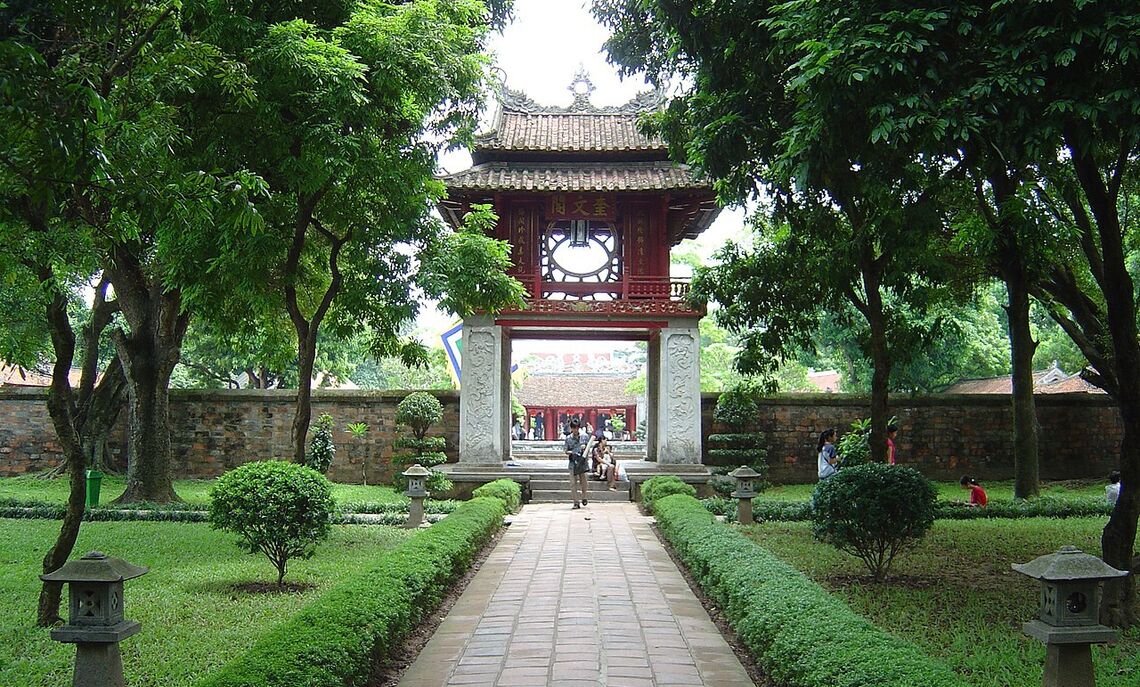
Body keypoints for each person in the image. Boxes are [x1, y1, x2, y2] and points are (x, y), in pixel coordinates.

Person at [565, 419, 590, 509]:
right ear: (571, 428)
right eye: (573, 428)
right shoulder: (568, 438)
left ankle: (584, 497)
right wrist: (573, 452)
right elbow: (566, 451)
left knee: (584, 482)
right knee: (573, 483)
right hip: (572, 463)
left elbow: (588, 449)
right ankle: (576, 502)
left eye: (577, 428)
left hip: (582, 463)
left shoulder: (585, 436)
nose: (575, 430)